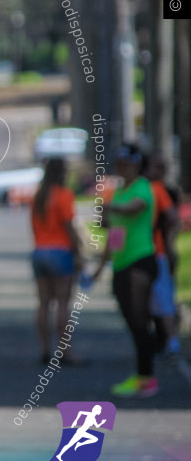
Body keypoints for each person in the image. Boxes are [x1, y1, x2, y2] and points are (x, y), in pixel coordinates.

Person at [90, 144, 158, 398]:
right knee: (132, 321)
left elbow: (136, 208)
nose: (120, 168)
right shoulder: (119, 192)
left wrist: (111, 209)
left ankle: (147, 377)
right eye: (117, 163)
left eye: (125, 163)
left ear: (136, 165)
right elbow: (113, 234)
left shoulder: (142, 188)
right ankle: (142, 375)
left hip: (139, 261)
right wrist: (100, 267)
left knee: (140, 320)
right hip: (120, 264)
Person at [29, 158, 86, 366]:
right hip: (60, 251)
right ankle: (65, 351)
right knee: (63, 303)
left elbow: (34, 227)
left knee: (43, 303)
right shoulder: (64, 195)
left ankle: (45, 349)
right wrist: (79, 251)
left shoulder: (38, 196)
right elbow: (69, 226)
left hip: (39, 250)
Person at [144, 152, 181, 359]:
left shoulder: (158, 189)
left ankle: (171, 340)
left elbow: (173, 219)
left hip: (157, 251)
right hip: (143, 253)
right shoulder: (145, 188)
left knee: (163, 298)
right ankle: (161, 339)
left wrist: (168, 241)